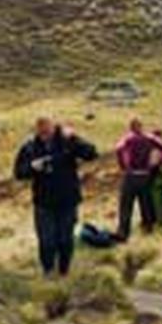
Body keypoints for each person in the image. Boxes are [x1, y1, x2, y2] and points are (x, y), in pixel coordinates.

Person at [14, 117, 98, 276]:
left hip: (67, 200)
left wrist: (74, 138)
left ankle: (64, 272)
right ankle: (48, 272)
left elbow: (92, 153)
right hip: (43, 202)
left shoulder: (67, 142)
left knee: (65, 240)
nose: (44, 135)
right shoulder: (30, 147)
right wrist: (32, 167)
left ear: (54, 127)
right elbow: (18, 173)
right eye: (41, 132)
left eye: (47, 131)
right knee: (47, 240)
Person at [113, 118, 162, 240]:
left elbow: (118, 149)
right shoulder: (149, 138)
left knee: (126, 204)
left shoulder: (128, 139)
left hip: (131, 175)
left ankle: (123, 232)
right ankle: (148, 228)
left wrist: (124, 166)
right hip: (146, 174)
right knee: (145, 202)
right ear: (141, 127)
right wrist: (156, 163)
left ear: (131, 128)